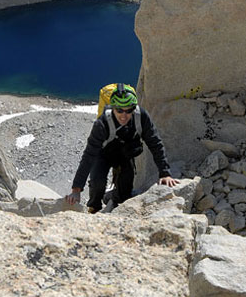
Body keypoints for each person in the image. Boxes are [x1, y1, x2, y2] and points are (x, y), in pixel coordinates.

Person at [65, 83, 179, 212]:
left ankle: (116, 206)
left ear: (134, 108)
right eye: (119, 110)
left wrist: (165, 173)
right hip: (103, 154)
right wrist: (76, 189)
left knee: (125, 192)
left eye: (129, 110)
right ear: (113, 108)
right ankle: (94, 208)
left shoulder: (141, 117)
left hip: (125, 155)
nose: (124, 115)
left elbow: (155, 143)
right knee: (97, 183)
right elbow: (88, 156)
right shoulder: (102, 124)